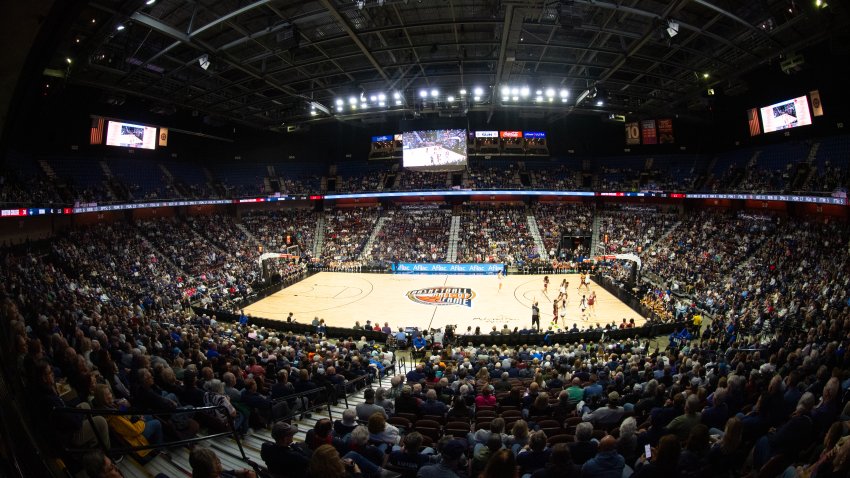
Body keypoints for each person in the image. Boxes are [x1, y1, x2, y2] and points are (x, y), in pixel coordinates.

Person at [190, 446, 257, 478]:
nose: (219, 460)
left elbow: (222, 472)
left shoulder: (205, 474)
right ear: (210, 471)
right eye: (216, 462)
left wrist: (235, 472)